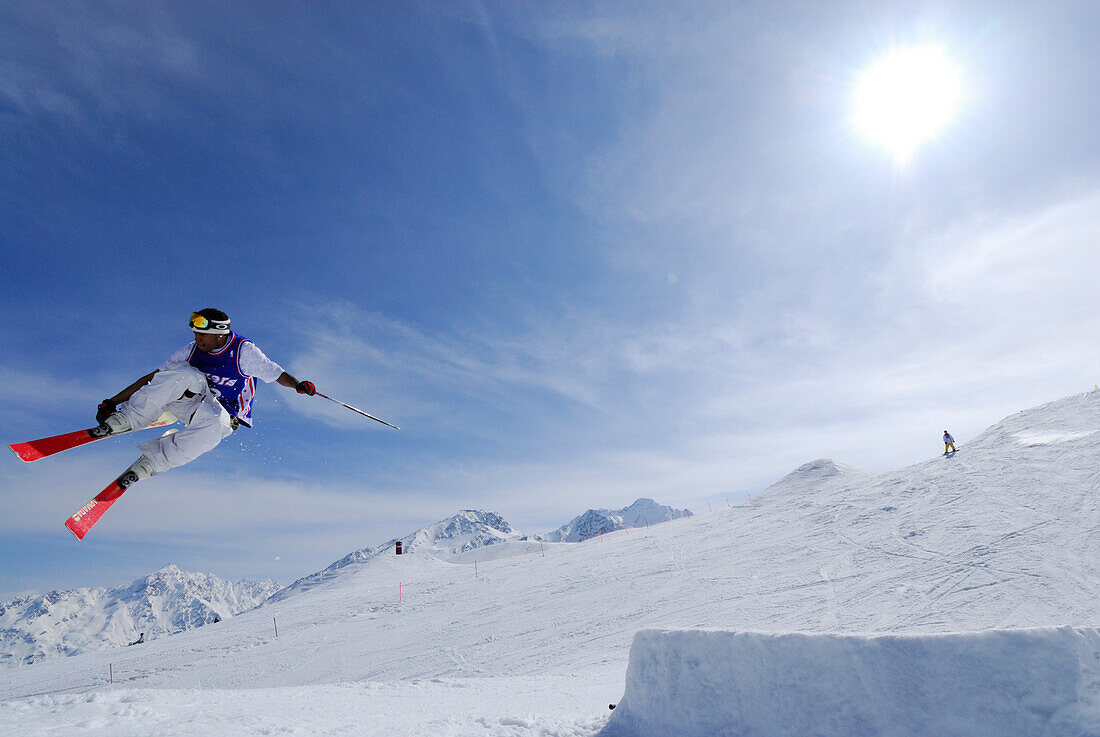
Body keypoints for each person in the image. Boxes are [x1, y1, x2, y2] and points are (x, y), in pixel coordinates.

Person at [93, 308, 316, 488]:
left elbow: (275, 373)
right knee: (182, 372)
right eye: (195, 334)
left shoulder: (243, 351)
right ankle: (129, 419)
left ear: (220, 334)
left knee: (214, 426)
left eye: (202, 335)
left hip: (222, 414)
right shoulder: (191, 350)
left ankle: (155, 462)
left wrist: (298, 385)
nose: (197, 339)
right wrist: (112, 401)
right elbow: (155, 378)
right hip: (189, 400)